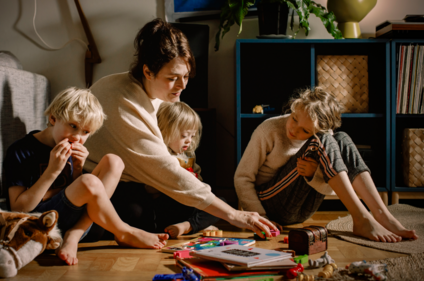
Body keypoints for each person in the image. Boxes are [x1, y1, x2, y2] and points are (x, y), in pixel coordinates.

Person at [83, 18, 277, 239]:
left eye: (185, 76)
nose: (183, 85)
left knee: (206, 201)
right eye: (173, 78)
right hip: (104, 185)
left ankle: (186, 224)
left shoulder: (154, 94)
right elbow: (165, 169)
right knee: (140, 214)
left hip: (142, 185)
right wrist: (234, 215)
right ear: (147, 71)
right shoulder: (124, 101)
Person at [3, 87, 168, 266]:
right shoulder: (21, 151)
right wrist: (52, 171)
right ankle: (123, 231)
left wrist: (78, 169)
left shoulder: (71, 144)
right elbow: (19, 208)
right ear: (53, 118)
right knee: (89, 181)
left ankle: (74, 235)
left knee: (114, 161)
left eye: (86, 132)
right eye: (73, 126)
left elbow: (75, 192)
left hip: (80, 223)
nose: (77, 137)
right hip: (44, 224)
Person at [234, 86, 418, 243]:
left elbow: (331, 187)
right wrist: (261, 218)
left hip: (301, 210)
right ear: (293, 108)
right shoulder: (268, 130)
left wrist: (315, 175)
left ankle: (381, 214)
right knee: (323, 141)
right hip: (269, 205)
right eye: (294, 118)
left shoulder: (323, 137)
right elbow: (242, 178)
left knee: (341, 138)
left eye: (305, 130)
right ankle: (361, 218)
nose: (293, 129)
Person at [147, 101, 220, 238]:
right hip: (165, 205)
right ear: (166, 130)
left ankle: (189, 226)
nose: (189, 141)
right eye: (184, 135)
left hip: (188, 202)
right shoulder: (160, 154)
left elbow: (198, 178)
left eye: (192, 136)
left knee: (219, 201)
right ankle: (196, 225)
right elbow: (150, 189)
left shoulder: (187, 154)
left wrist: (195, 180)